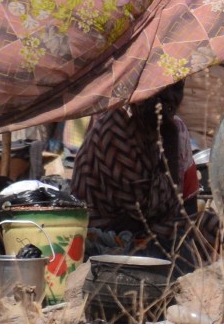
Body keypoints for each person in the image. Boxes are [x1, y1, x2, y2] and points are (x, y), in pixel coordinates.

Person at [71, 80, 216, 271]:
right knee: (177, 261)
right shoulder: (117, 127)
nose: (169, 98)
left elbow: (188, 202)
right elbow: (143, 213)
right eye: (160, 89)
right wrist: (170, 141)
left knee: (219, 228)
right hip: (110, 235)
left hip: (156, 227)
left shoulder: (174, 128)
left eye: (177, 89)